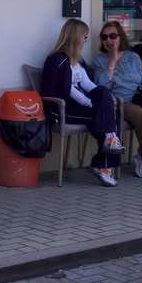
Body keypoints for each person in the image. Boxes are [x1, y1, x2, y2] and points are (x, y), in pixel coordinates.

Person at [41, 19, 125, 186]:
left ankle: (110, 139)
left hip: (78, 106)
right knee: (106, 118)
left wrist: (104, 99)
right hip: (62, 109)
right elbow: (67, 90)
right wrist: (90, 104)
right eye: (85, 36)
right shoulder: (58, 60)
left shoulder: (78, 61)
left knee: (106, 101)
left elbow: (88, 84)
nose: (86, 40)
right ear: (76, 36)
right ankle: (103, 165)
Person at [92, 20, 142, 178]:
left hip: (140, 98)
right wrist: (113, 61)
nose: (109, 40)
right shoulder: (99, 61)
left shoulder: (133, 57)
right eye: (105, 37)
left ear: (120, 37)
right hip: (120, 103)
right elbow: (101, 87)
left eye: (113, 36)